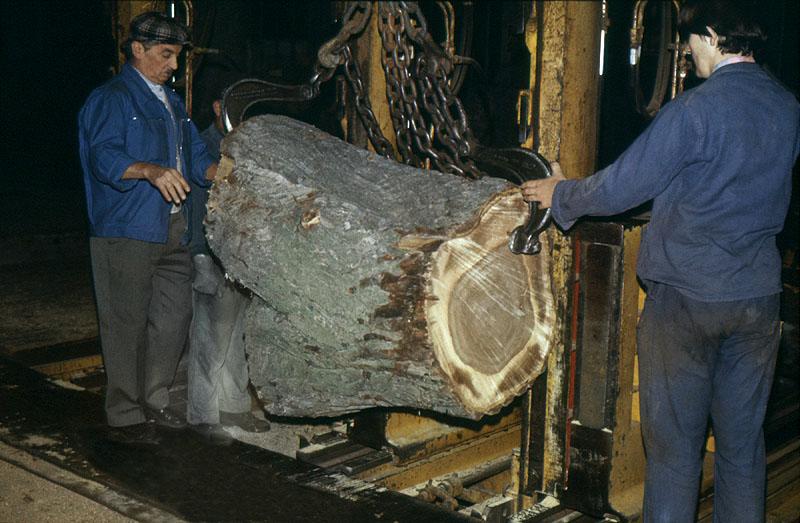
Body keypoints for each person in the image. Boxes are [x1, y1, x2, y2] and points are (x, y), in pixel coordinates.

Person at [521, 1, 798, 521]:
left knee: (674, 454)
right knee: (742, 448)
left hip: (686, 303)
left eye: (690, 40)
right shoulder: (787, 107)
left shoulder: (694, 111)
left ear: (712, 37)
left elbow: (622, 186)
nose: (685, 51)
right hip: (757, 299)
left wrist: (562, 194)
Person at [78, 12, 217, 445]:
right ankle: (124, 414)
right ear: (137, 49)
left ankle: (154, 398)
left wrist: (238, 174)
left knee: (173, 318)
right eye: (166, 54)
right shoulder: (111, 99)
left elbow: (197, 159)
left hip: (172, 230)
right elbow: (103, 157)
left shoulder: (172, 103)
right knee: (125, 324)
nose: (174, 65)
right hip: (127, 230)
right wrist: (150, 171)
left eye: (176, 56)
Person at [185, 89, 270, 445]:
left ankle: (234, 406)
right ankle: (202, 414)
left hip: (238, 255)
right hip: (209, 251)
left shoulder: (243, 147)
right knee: (210, 336)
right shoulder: (204, 141)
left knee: (237, 336)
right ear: (219, 107)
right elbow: (205, 172)